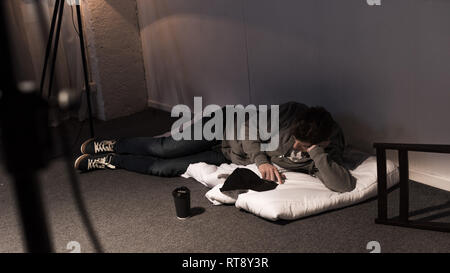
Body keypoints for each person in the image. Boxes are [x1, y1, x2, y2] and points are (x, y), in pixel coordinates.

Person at [74, 102, 356, 193]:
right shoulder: (291, 113)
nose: (295, 145)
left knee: (163, 169)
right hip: (223, 125)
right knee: (164, 149)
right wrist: (261, 160)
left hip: (225, 155)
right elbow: (246, 126)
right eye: (295, 138)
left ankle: (112, 160)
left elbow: (343, 185)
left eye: (303, 145)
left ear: (322, 142)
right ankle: (114, 142)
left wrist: (316, 152)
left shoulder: (327, 150)